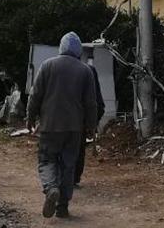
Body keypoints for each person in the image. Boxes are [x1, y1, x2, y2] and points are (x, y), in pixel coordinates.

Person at [27, 31, 98, 218]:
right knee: (68, 165)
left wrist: (30, 118)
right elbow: (91, 102)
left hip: (50, 125)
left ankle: (51, 188)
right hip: (74, 128)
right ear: (78, 50)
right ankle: (63, 206)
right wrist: (91, 126)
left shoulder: (47, 65)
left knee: (47, 160)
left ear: (61, 47)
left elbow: (35, 96)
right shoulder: (85, 71)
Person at [74, 58, 106, 186]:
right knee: (78, 150)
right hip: (79, 122)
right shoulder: (88, 70)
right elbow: (95, 102)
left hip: (56, 121)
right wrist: (92, 125)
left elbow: (38, 95)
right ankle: (73, 180)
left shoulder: (50, 67)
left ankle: (56, 181)